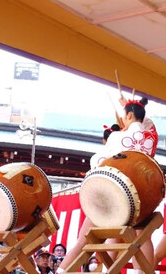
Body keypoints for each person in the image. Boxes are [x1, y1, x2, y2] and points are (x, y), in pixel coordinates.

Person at [57, 97, 158, 274]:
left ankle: (63, 270)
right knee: (141, 238)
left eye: (125, 117)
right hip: (140, 201)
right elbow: (145, 122)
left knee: (84, 240)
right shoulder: (150, 137)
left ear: (129, 115)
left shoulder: (117, 137)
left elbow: (99, 162)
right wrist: (131, 108)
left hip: (113, 199)